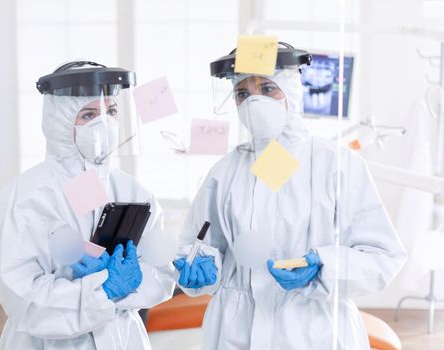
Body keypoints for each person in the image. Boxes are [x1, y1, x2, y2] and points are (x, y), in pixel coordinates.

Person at [174, 44, 407, 349]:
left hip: (315, 329)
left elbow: (383, 256)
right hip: (236, 331)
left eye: (267, 88)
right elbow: (200, 244)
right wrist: (199, 266)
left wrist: (324, 267)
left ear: (292, 91)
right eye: (243, 94)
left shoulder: (337, 165)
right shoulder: (225, 171)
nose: (254, 102)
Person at [0, 61, 174, 349]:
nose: (104, 124)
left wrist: (131, 283)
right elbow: (22, 297)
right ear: (60, 122)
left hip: (121, 336)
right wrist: (102, 291)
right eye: (88, 114)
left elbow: (160, 272)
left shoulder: (132, 190)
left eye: (110, 111)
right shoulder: (24, 197)